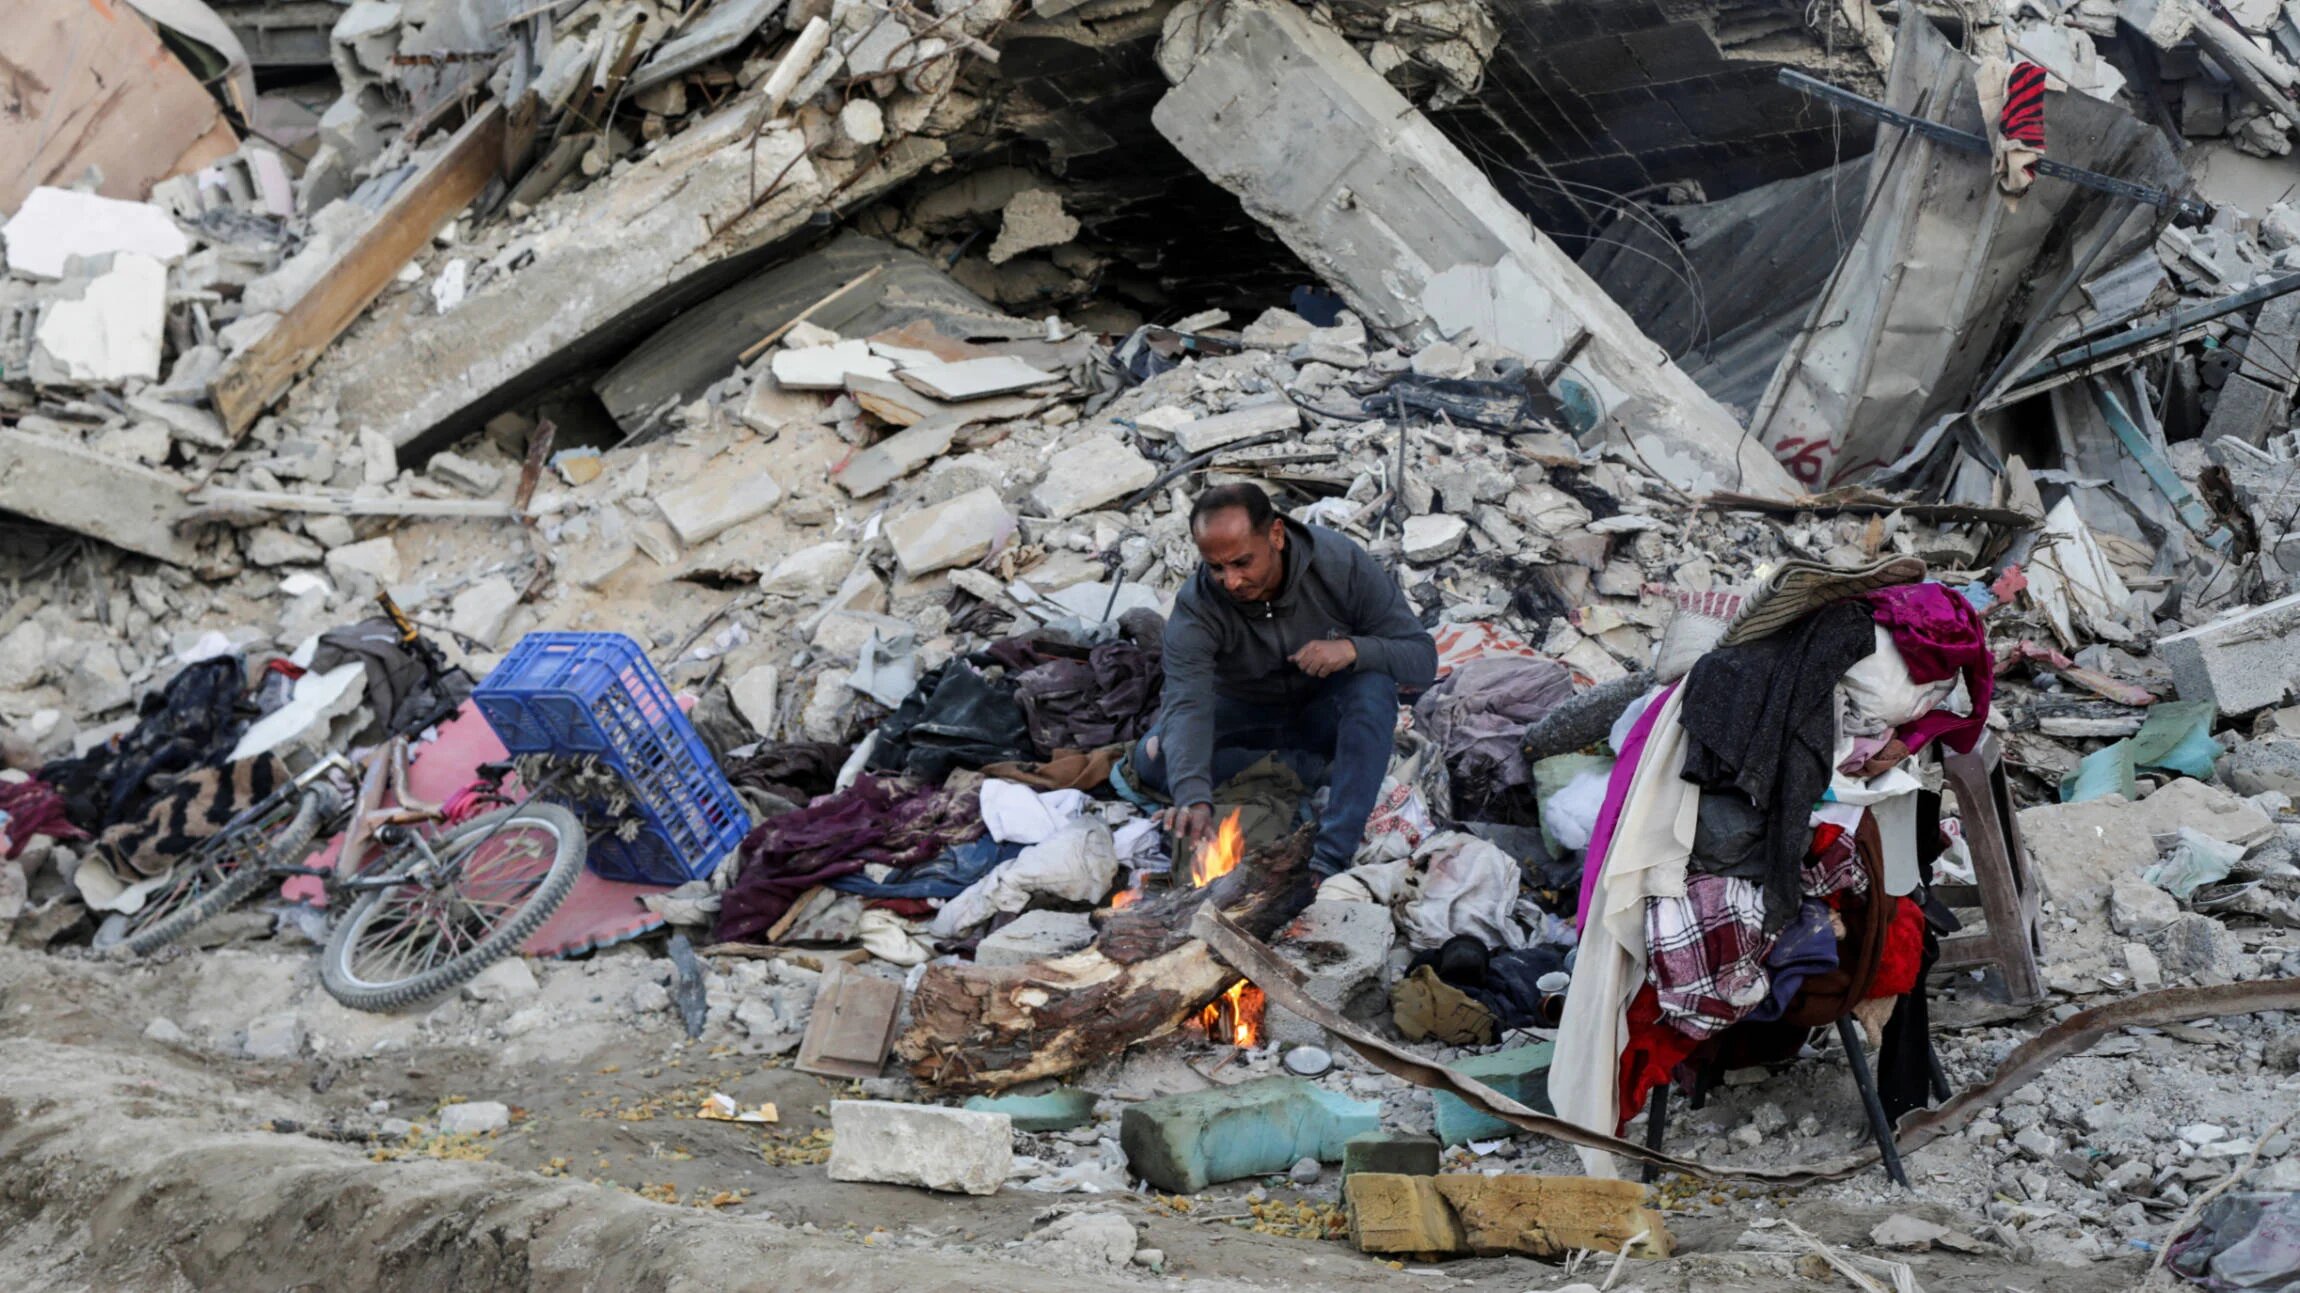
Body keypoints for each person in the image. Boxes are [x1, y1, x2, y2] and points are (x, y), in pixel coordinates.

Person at [1129, 483, 1437, 877]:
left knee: (1372, 687)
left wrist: (1352, 650)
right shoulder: (1198, 605)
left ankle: (1330, 856)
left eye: (1242, 563)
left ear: (1276, 534)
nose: (1231, 582)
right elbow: (1187, 703)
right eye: (1217, 568)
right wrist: (1193, 797)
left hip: (1324, 714)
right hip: (1248, 716)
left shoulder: (1339, 563)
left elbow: (1422, 659)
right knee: (1152, 758)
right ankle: (1309, 771)